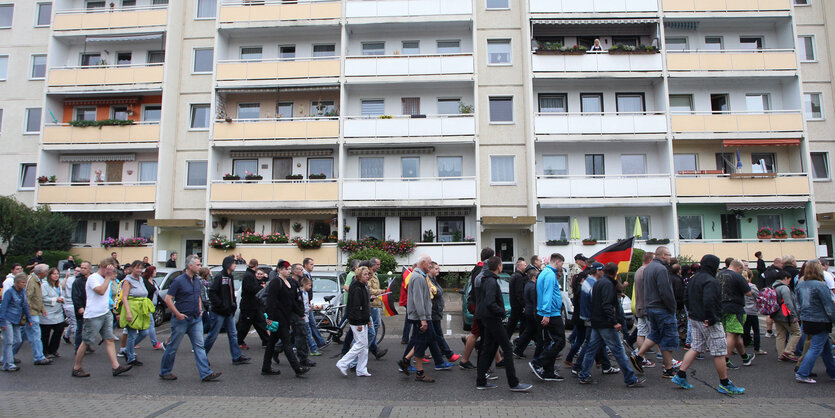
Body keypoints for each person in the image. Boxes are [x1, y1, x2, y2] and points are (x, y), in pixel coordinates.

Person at [671, 254, 745, 394]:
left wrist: (692, 313)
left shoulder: (694, 278)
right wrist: (711, 317)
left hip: (694, 318)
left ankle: (680, 375)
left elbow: (686, 296)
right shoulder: (711, 281)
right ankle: (724, 383)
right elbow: (710, 300)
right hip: (708, 320)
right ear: (714, 266)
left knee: (696, 346)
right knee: (720, 351)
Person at [578, 263, 645, 387]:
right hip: (606, 323)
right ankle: (630, 379)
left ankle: (584, 374)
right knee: (619, 351)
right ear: (615, 272)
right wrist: (614, 322)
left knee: (591, 349)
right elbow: (607, 305)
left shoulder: (598, 282)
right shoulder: (608, 285)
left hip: (596, 321)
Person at [159, 255, 221, 382]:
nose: (200, 267)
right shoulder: (179, 281)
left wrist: (199, 309)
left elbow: (197, 295)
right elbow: (168, 299)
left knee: (199, 346)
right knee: (173, 346)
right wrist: (177, 314)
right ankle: (165, 371)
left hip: (195, 319)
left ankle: (205, 373)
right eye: (197, 265)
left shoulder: (197, 280)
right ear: (190, 266)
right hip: (181, 319)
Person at [476, 256, 532, 392]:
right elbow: (490, 302)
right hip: (493, 319)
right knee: (506, 347)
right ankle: (513, 383)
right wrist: (501, 311)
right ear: (499, 267)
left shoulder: (487, 279)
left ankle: (481, 381)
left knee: (488, 349)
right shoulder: (491, 281)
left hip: (488, 318)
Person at [72, 258, 132, 378]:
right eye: (109, 269)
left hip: (105, 313)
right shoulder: (93, 278)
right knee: (86, 341)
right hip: (94, 315)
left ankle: (116, 366)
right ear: (104, 267)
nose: (111, 272)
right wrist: (108, 278)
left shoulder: (106, 278)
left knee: (109, 339)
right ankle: (76, 367)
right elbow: (100, 291)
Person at [630, 247, 678, 378]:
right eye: (668, 255)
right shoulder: (661, 269)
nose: (669, 257)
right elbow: (665, 291)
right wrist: (672, 307)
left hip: (650, 307)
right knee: (667, 337)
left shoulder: (649, 268)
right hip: (662, 308)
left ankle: (639, 355)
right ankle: (668, 369)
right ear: (662, 255)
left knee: (655, 334)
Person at [262, 260, 309, 377]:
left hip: (285, 316)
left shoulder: (289, 282)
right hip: (278, 317)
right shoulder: (275, 282)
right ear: (279, 270)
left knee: (272, 343)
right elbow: (271, 301)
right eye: (285, 269)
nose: (288, 271)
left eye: (288, 269)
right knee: (287, 342)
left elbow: (292, 301)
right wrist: (270, 318)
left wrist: (300, 313)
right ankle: (297, 369)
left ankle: (266, 367)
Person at [397, 255, 437, 382]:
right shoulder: (418, 278)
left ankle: (406, 360)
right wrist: (423, 319)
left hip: (421, 316)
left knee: (424, 339)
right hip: (420, 317)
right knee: (422, 341)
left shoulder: (420, 276)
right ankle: (419, 372)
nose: (431, 266)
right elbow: (418, 300)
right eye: (429, 263)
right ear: (423, 263)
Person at [794, 260, 835, 383]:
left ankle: (833, 372)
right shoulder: (821, 286)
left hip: (807, 320)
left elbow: (798, 304)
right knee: (816, 348)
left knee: (826, 347)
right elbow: (828, 306)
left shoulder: (801, 285)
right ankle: (802, 373)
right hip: (821, 320)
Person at [205, 256, 250, 365]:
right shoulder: (220, 277)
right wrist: (221, 305)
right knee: (213, 335)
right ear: (228, 265)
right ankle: (202, 355)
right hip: (219, 312)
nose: (235, 265)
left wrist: (233, 305)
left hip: (228, 312)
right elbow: (212, 292)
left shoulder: (230, 277)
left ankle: (236, 356)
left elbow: (230, 294)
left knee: (233, 334)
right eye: (233, 263)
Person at [529, 253, 567, 382]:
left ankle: (548, 371)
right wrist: (546, 313)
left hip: (546, 312)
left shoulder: (543, 273)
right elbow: (547, 294)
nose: (561, 266)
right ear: (557, 262)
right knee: (559, 341)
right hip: (551, 313)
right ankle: (539, 362)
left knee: (549, 341)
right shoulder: (550, 275)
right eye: (561, 263)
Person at [459, 248, 495, 370]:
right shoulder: (482, 271)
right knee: (476, 333)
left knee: (487, 332)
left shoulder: (477, 268)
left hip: (476, 304)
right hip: (479, 306)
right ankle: (464, 360)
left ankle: (499, 360)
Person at [717, 259, 755, 368]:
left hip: (721, 307)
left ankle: (745, 357)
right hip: (735, 307)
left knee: (736, 334)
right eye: (741, 269)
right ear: (738, 267)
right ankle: (725, 360)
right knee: (732, 333)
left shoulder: (719, 275)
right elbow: (748, 293)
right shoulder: (737, 277)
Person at [336, 266, 373, 377]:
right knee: (361, 344)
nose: (367, 276)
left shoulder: (363, 286)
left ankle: (361, 369)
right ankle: (343, 363)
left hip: (362, 319)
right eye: (365, 274)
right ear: (359, 276)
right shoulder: (357, 288)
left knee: (364, 345)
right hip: (357, 320)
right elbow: (356, 307)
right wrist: (360, 322)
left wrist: (366, 319)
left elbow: (364, 304)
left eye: (368, 274)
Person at [119, 260, 155, 367]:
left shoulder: (140, 279)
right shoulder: (127, 280)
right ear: (132, 268)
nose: (139, 270)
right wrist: (128, 313)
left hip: (141, 308)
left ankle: (126, 349)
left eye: (141, 268)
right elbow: (124, 297)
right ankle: (131, 358)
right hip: (132, 307)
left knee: (144, 332)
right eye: (137, 268)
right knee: (132, 333)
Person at [1, 273, 32, 371]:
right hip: (7, 319)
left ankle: (6, 359)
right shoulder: (9, 292)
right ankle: (8, 364)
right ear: (17, 283)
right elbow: (3, 307)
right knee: (9, 341)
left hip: (17, 319)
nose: (24, 284)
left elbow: (25, 305)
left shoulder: (22, 292)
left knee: (18, 340)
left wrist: (29, 318)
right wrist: (1, 322)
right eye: (23, 282)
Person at [631, 252, 656, 369]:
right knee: (656, 333)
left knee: (641, 333)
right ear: (650, 260)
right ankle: (640, 356)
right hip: (647, 307)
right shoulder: (647, 272)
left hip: (639, 306)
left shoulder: (638, 271)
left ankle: (642, 357)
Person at [237, 259, 269, 350]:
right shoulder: (248, 276)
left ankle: (266, 341)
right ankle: (239, 341)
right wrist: (260, 287)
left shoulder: (250, 275)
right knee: (245, 325)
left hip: (254, 305)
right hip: (248, 305)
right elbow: (251, 289)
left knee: (260, 323)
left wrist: (262, 281)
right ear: (256, 266)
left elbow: (254, 284)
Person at [24, 264, 51, 366]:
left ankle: (6, 357)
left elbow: (37, 297)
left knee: (21, 338)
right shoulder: (31, 281)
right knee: (35, 335)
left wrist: (42, 308)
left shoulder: (37, 281)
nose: (47, 273)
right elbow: (27, 298)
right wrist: (28, 314)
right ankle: (39, 357)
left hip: (34, 311)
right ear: (40, 273)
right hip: (32, 313)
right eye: (46, 272)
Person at [288, 263, 314, 368]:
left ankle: (277, 349)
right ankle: (303, 359)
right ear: (295, 272)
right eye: (300, 270)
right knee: (300, 336)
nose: (302, 272)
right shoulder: (292, 284)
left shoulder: (298, 283)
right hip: (295, 314)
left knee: (294, 335)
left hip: (300, 313)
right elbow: (294, 301)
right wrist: (301, 313)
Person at [772, 270, 801, 362]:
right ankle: (788, 351)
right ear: (785, 278)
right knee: (796, 332)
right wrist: (794, 314)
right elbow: (788, 302)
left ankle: (781, 355)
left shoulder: (773, 286)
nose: (789, 281)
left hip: (776, 314)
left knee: (780, 334)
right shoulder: (784, 288)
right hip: (786, 315)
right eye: (789, 279)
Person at [514, 269, 541, 358]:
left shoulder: (528, 284)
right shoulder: (533, 287)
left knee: (529, 332)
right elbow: (535, 301)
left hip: (528, 311)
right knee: (533, 332)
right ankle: (543, 351)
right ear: (534, 277)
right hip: (532, 312)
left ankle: (518, 350)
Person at [40, 267, 66, 359]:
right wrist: (55, 299)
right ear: (49, 275)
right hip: (48, 312)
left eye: (57, 274)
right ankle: (45, 351)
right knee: (45, 333)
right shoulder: (44, 285)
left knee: (59, 330)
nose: (56, 276)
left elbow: (61, 295)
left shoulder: (58, 285)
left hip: (58, 312)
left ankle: (53, 350)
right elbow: (43, 298)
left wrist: (62, 299)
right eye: (54, 274)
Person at [367, 258, 388, 360]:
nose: (379, 266)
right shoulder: (369, 275)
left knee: (374, 327)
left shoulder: (374, 275)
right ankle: (373, 348)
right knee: (374, 327)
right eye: (378, 264)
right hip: (372, 305)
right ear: (372, 265)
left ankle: (373, 347)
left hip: (375, 304)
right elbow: (369, 289)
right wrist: (381, 291)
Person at [741, 269, 766, 356]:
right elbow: (758, 297)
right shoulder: (752, 287)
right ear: (751, 277)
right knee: (756, 330)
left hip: (743, 310)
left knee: (745, 329)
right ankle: (757, 348)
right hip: (752, 310)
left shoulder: (739, 285)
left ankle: (743, 346)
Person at [141, 266, 164, 350]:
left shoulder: (153, 281)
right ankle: (155, 343)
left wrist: (163, 303)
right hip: (146, 306)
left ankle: (131, 343)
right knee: (151, 324)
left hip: (153, 306)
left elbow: (157, 294)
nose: (156, 273)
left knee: (143, 328)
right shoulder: (144, 282)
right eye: (154, 271)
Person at [71, 262, 91, 353]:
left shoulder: (92, 279)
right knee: (80, 328)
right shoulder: (78, 281)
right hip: (81, 307)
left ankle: (87, 345)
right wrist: (79, 307)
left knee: (89, 329)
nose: (82, 269)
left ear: (89, 269)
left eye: (85, 268)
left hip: (90, 307)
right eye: (81, 268)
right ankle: (78, 348)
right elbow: (75, 296)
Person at [300, 277, 322, 356]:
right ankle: (313, 349)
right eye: (309, 285)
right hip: (304, 316)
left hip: (305, 316)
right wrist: (309, 308)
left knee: (299, 333)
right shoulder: (303, 294)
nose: (310, 287)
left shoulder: (305, 294)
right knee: (308, 333)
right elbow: (303, 306)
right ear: (304, 285)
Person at [507, 259, 528, 338]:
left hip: (514, 304)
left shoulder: (514, 276)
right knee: (521, 323)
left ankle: (507, 339)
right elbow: (519, 292)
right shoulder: (519, 277)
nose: (526, 266)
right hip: (518, 305)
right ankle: (519, 339)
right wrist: (523, 305)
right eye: (524, 265)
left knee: (512, 323)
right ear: (519, 266)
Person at [399, 262, 415, 345]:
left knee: (408, 319)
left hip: (407, 300)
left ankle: (405, 338)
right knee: (409, 319)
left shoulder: (408, 274)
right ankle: (405, 338)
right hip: (408, 300)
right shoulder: (409, 276)